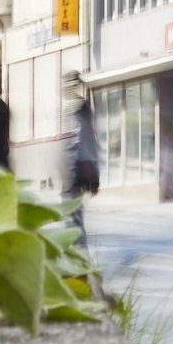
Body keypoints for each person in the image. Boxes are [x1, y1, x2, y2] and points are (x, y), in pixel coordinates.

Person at [63, 70, 100, 247]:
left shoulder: (78, 108)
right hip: (75, 171)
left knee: (73, 218)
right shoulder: (76, 107)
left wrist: (93, 176)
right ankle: (78, 257)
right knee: (73, 217)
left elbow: (85, 142)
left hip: (77, 171)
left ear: (72, 86)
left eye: (67, 85)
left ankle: (78, 261)